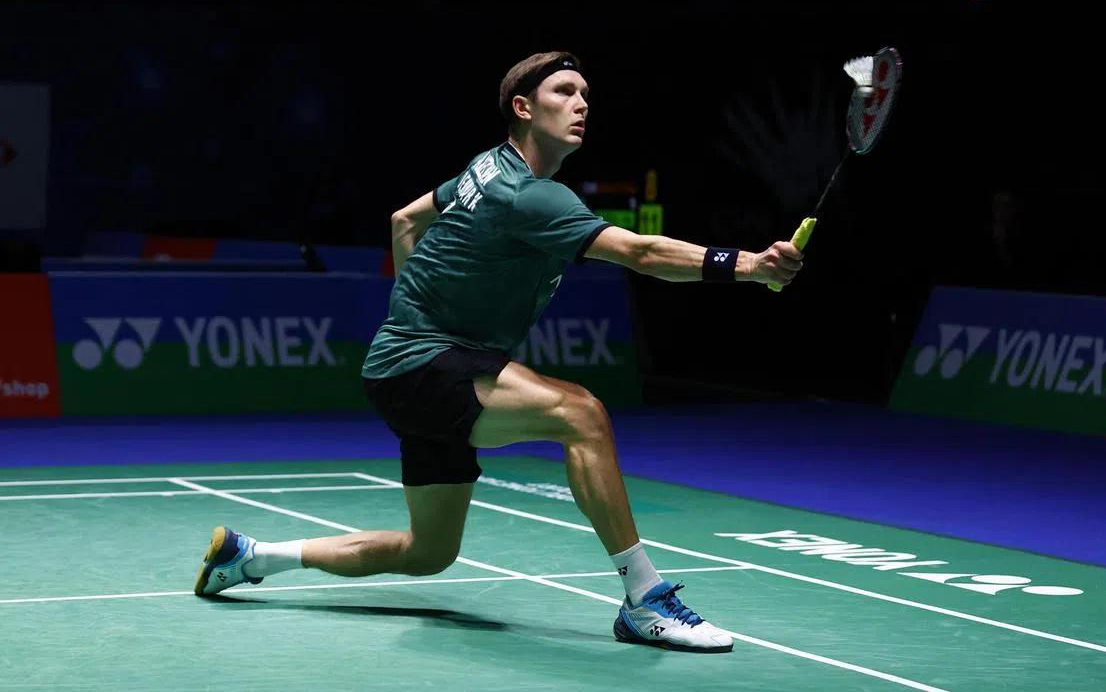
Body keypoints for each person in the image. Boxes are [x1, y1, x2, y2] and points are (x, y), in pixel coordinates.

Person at [193, 51, 804, 653]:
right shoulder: (529, 195)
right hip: (428, 364)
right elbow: (641, 254)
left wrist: (411, 308)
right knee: (581, 413)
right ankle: (645, 600)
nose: (582, 103)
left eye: (586, 94)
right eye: (563, 92)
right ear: (522, 107)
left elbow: (404, 219)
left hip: (409, 367)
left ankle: (250, 558)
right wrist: (749, 266)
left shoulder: (484, 170)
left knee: (428, 553)